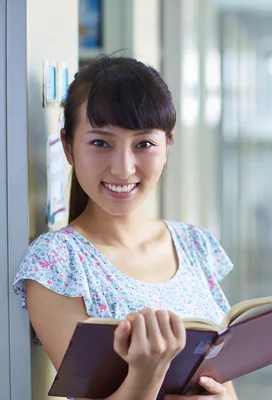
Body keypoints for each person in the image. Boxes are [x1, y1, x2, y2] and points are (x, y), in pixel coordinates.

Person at [12, 57, 238, 399]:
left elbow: (227, 385)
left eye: (144, 144)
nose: (122, 168)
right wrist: (147, 371)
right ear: (69, 147)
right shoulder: (55, 263)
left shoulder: (194, 243)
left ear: (167, 145)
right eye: (101, 143)